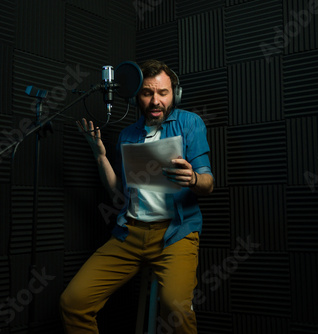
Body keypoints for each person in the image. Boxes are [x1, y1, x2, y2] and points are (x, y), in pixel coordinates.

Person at [60, 59, 214, 333]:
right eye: (147, 93)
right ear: (136, 97)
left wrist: (193, 179)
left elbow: (208, 183)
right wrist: (101, 156)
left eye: (163, 93)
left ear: (174, 95)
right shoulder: (127, 135)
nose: (156, 101)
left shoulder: (190, 123)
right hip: (129, 233)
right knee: (73, 301)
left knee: (177, 309)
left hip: (175, 234)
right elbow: (118, 192)